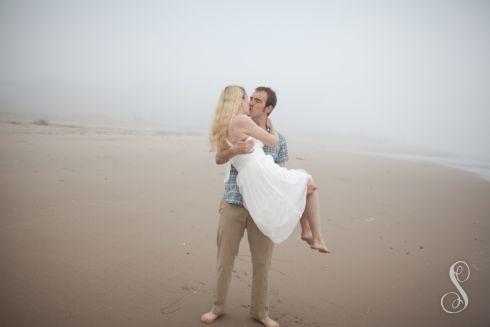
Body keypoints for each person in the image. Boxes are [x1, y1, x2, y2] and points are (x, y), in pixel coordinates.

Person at [201, 86, 331, 326]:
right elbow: (219, 158)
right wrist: (236, 150)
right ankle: (217, 307)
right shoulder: (235, 123)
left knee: (262, 262)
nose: (251, 102)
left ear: (268, 108)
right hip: (234, 201)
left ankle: (260, 312)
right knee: (225, 259)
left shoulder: (279, 139)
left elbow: (280, 170)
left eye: (257, 100)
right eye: (249, 98)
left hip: (263, 206)